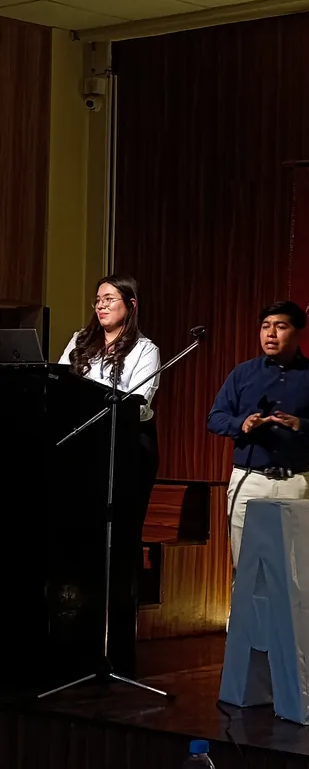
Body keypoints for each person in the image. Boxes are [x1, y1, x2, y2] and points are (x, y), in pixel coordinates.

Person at [58, 274, 161, 678]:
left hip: (126, 452)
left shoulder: (145, 349)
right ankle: (75, 643)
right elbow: (62, 387)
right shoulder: (79, 341)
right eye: (97, 300)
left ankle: (117, 650)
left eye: (109, 299)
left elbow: (140, 403)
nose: (100, 306)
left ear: (130, 305)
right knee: (78, 544)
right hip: (81, 452)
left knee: (118, 545)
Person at [207, 301, 309, 569]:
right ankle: (245, 600)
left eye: (280, 327)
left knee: (294, 569)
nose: (270, 334)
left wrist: (302, 424)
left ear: (299, 333)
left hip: (295, 481)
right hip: (249, 480)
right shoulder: (243, 373)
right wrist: (242, 424)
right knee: (246, 566)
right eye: (265, 327)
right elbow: (215, 418)